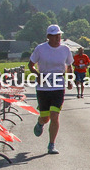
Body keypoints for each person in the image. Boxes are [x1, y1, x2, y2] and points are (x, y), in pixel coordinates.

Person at [28, 24, 74, 155]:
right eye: (54, 36)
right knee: (46, 117)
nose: (57, 38)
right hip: (43, 87)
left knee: (55, 116)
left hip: (58, 85)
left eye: (59, 35)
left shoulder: (65, 49)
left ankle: (51, 144)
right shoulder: (40, 49)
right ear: (48, 37)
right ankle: (40, 122)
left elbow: (69, 66)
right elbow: (30, 65)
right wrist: (38, 75)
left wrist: (70, 80)